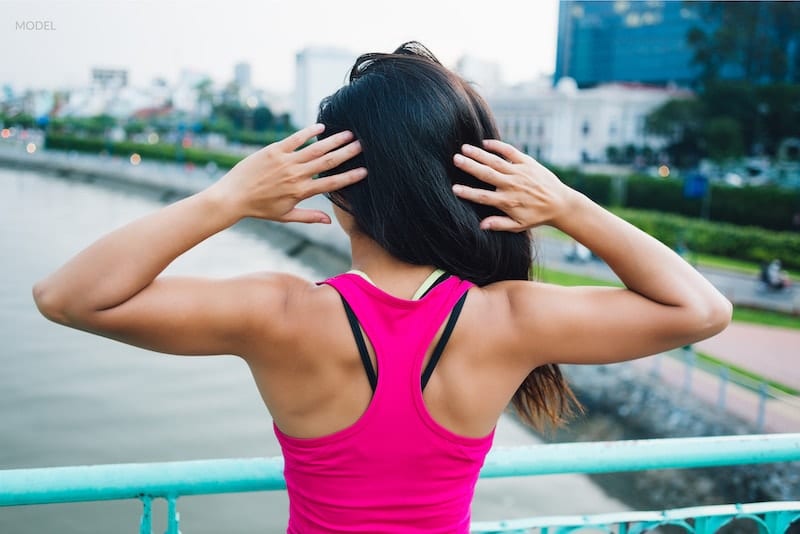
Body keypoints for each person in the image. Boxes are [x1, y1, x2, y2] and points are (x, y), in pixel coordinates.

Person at [32, 43, 731, 533]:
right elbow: (701, 309)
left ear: (337, 194)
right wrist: (567, 204)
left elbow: (68, 296)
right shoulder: (509, 318)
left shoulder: (281, 313)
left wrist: (228, 197)